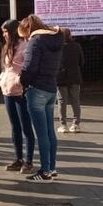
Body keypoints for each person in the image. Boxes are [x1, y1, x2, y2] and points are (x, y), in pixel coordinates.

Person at [19, 15, 64, 181]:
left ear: (28, 30)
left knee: (41, 133)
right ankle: (51, 167)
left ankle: (44, 171)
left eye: (24, 35)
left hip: (36, 89)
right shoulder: (56, 40)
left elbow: (29, 67)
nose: (24, 38)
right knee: (50, 131)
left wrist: (22, 81)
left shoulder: (35, 41)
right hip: (51, 88)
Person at [0, 19, 35, 174]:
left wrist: (21, 81)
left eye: (6, 32)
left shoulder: (25, 46)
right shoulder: (7, 47)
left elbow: (28, 67)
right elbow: (6, 67)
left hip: (20, 91)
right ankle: (18, 158)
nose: (4, 35)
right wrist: (1, 78)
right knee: (15, 127)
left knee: (26, 126)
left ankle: (29, 160)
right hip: (7, 90)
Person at [55, 27, 83, 133]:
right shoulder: (77, 46)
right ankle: (76, 124)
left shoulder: (57, 47)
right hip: (75, 76)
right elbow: (82, 61)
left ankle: (63, 125)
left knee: (62, 101)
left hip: (61, 77)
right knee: (75, 100)